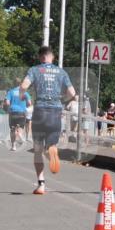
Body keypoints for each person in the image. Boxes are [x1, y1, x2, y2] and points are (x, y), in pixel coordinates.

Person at [20, 45, 76, 194]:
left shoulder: (34, 70)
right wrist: (62, 100)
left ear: (40, 57)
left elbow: (24, 85)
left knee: (37, 150)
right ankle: (52, 148)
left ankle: (41, 184)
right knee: (51, 143)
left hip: (40, 111)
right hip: (55, 111)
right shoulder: (61, 72)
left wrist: (21, 95)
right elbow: (72, 92)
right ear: (53, 57)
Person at [4, 77, 30, 150]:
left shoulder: (11, 92)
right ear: (21, 83)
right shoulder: (25, 92)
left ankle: (13, 146)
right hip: (22, 112)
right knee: (20, 128)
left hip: (13, 112)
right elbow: (29, 103)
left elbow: (7, 102)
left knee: (12, 129)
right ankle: (20, 134)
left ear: (13, 83)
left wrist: (10, 107)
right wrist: (25, 105)